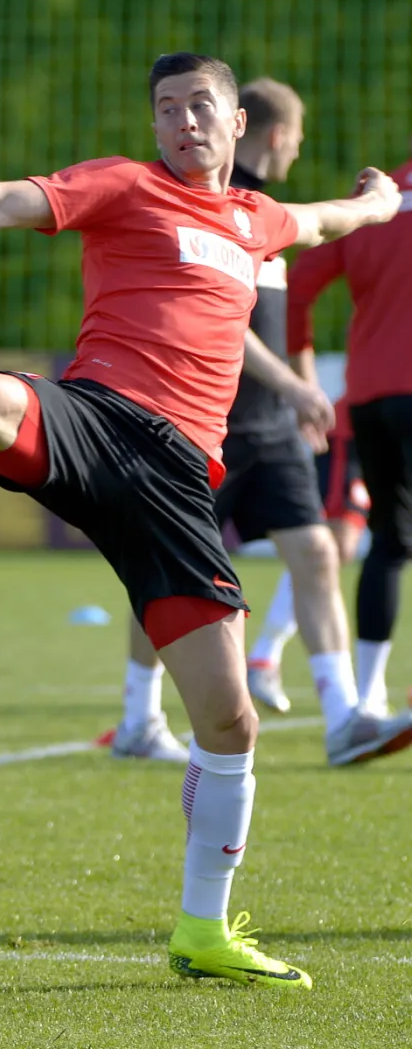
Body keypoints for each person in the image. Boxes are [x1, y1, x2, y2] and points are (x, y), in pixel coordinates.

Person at [0, 52, 403, 989]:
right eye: (166, 108)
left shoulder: (256, 220)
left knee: (229, 724)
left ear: (235, 126)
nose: (183, 121)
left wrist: (383, 203)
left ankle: (203, 931)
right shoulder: (124, 186)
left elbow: (324, 221)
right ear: (154, 129)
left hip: (183, 484)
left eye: (200, 107)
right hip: (98, 420)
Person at [108, 78, 412, 767]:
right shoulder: (207, 205)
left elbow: (307, 260)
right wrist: (297, 384)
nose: (299, 151)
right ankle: (137, 717)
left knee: (317, 551)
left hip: (270, 427)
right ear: (273, 134)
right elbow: (226, 321)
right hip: (202, 425)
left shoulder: (264, 211)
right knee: (164, 573)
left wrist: (371, 205)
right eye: (298, 140)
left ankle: (343, 718)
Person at [287, 143, 412, 724]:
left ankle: (370, 695)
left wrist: (304, 374)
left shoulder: (377, 199)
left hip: (368, 396)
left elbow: (296, 286)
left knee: (388, 542)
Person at [244, 397, 373, 707]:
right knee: (331, 546)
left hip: (386, 434)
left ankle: (264, 658)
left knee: (334, 552)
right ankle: (265, 658)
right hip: (352, 429)